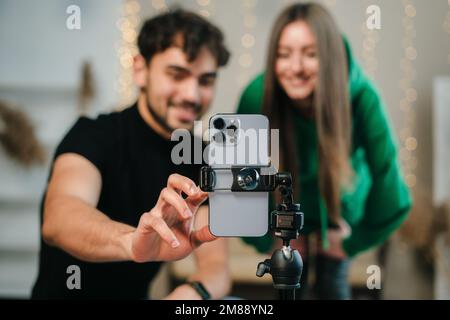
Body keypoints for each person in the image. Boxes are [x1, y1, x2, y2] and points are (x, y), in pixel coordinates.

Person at [31, 9, 231, 299]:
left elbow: (216, 266)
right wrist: (133, 242)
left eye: (205, 80)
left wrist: (193, 292)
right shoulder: (93, 134)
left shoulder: (201, 157)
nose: (192, 94)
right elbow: (61, 217)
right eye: (177, 74)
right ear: (141, 70)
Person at [237, 2, 412, 299]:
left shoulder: (363, 99)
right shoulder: (257, 98)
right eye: (283, 54)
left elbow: (389, 184)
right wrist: (264, 238)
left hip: (340, 220)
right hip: (285, 218)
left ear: (329, 57)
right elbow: (236, 182)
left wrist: (353, 243)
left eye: (310, 54)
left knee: (334, 289)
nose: (295, 68)